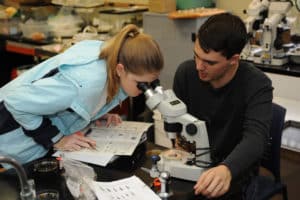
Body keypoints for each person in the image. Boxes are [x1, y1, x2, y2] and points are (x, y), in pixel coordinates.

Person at [0, 24, 164, 169]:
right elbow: (16, 103)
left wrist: (93, 111)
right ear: (120, 69)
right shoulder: (83, 83)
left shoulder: (113, 57)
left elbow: (66, 102)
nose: (145, 90)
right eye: (141, 84)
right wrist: (58, 139)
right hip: (9, 129)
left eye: (151, 83)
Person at [173, 13, 273, 199]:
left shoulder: (257, 84)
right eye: (196, 56)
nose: (198, 67)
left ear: (233, 59)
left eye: (209, 62)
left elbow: (256, 138)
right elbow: (179, 128)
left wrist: (226, 169)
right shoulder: (185, 73)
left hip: (234, 171)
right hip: (194, 165)